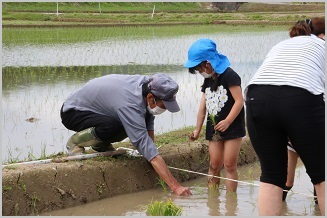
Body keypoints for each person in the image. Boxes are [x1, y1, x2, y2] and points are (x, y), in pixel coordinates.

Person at [60, 73, 192, 196]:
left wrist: (151, 152)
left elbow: (148, 118)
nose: (164, 109)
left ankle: (100, 144)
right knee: (116, 126)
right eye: (164, 105)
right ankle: (75, 143)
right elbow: (142, 140)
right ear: (151, 98)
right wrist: (176, 187)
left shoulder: (148, 86)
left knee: (126, 124)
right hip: (73, 112)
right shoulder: (130, 103)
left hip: (99, 111)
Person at [244, 15, 325, 216]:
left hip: (257, 97)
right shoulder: (322, 47)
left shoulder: (282, 45)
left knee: (271, 176)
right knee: (322, 174)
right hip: (300, 98)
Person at [184, 38, 246, 192]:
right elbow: (202, 108)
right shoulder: (208, 80)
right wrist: (197, 130)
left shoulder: (230, 75)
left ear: (208, 63)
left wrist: (228, 121)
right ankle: (213, 203)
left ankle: (231, 204)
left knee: (230, 165)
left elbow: (239, 101)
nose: (200, 72)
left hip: (232, 127)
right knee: (214, 165)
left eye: (199, 69)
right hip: (214, 128)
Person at [282, 17, 325, 205]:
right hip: (311, 121)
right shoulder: (319, 50)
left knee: (287, 179)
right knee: (320, 178)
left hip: (287, 119)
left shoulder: (287, 51)